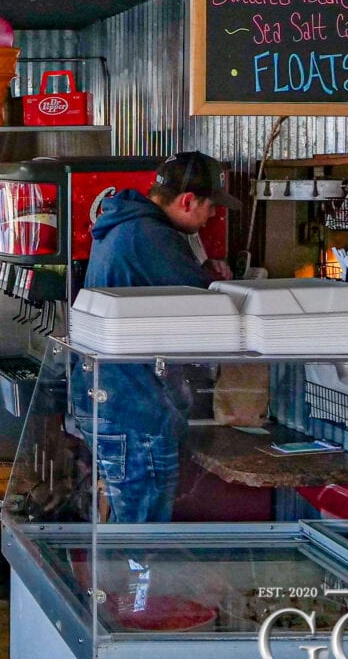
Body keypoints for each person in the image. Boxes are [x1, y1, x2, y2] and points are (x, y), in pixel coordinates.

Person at [73, 151, 239, 523]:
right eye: (211, 206)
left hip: (108, 399)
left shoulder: (124, 224)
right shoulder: (153, 237)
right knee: (142, 533)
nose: (214, 215)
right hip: (135, 409)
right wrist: (217, 283)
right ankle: (131, 566)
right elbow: (211, 319)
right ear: (187, 201)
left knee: (127, 522)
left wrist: (203, 272)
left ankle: (119, 564)